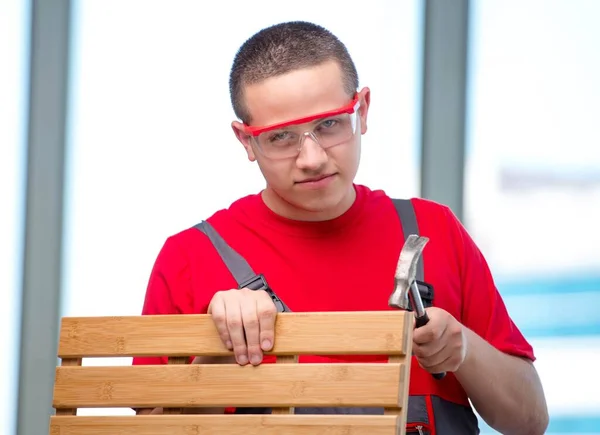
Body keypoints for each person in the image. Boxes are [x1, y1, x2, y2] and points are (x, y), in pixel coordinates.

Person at [133, 20, 549, 434]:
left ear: (362, 111)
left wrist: (464, 349)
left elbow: (529, 421)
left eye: (329, 124)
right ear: (246, 141)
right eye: (281, 137)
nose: (311, 158)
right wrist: (217, 351)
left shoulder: (434, 229)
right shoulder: (190, 258)